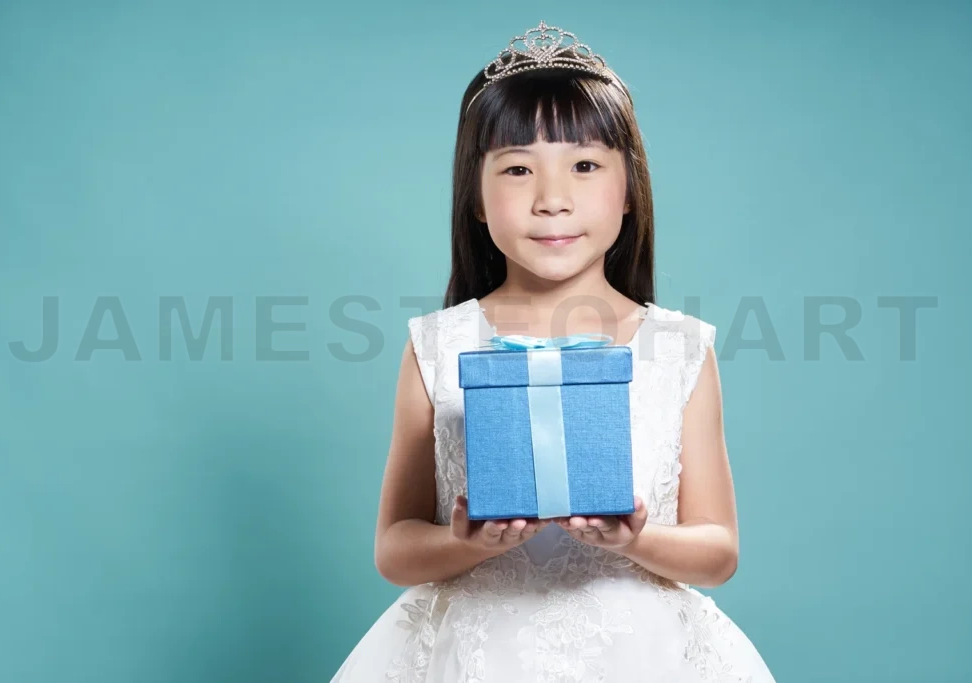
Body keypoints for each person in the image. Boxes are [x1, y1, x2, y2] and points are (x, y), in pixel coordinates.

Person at [331, 20, 776, 682]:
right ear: (475, 198)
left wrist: (636, 538)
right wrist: (465, 541)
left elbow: (718, 550)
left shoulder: (679, 349)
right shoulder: (437, 345)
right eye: (516, 169)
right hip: (474, 656)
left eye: (586, 165)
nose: (551, 199)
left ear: (628, 192)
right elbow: (394, 548)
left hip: (641, 656)